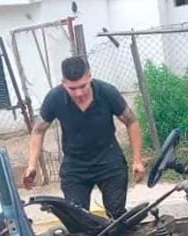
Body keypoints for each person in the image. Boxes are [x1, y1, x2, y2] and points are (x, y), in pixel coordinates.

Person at [22, 56, 145, 219]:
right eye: (72, 88)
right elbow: (38, 131)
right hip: (75, 165)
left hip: (109, 160)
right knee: (77, 219)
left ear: (89, 77)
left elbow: (131, 121)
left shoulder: (107, 92)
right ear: (63, 83)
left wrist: (137, 160)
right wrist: (32, 165)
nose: (79, 93)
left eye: (83, 86)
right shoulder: (54, 98)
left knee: (117, 215)